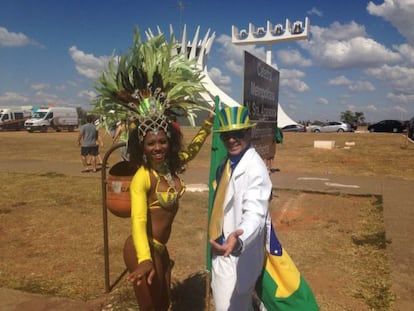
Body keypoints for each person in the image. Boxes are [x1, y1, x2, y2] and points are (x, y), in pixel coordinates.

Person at [123, 112, 214, 310]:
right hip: (142, 248)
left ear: (169, 142)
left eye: (162, 141)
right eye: (151, 143)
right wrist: (145, 260)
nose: (157, 147)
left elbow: (192, 150)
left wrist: (207, 125)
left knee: (164, 303)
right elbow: (137, 221)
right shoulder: (143, 177)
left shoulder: (170, 166)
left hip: (161, 248)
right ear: (142, 147)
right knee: (150, 306)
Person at [209, 105, 273, 311]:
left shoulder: (255, 169)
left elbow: (255, 212)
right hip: (222, 250)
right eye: (226, 134)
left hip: (236, 253)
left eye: (238, 133)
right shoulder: (226, 164)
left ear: (249, 132)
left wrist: (239, 239)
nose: (231, 139)